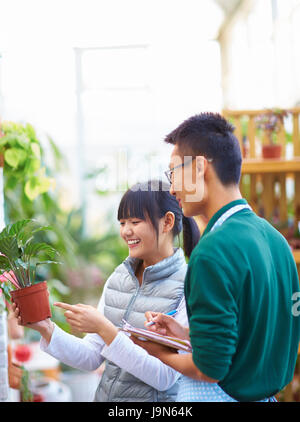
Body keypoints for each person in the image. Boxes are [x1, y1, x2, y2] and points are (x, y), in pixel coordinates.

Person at [133, 112, 300, 402]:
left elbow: (210, 369)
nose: (172, 188)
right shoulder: (276, 241)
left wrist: (160, 352)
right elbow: (251, 339)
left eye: (174, 172)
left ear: (199, 168)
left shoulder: (212, 251)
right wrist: (185, 335)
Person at [12, 180, 200, 402]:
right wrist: (46, 329)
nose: (126, 231)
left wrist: (105, 329)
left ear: (167, 222)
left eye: (135, 221)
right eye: (122, 222)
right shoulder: (119, 278)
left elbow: (165, 377)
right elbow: (91, 356)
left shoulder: (190, 286)